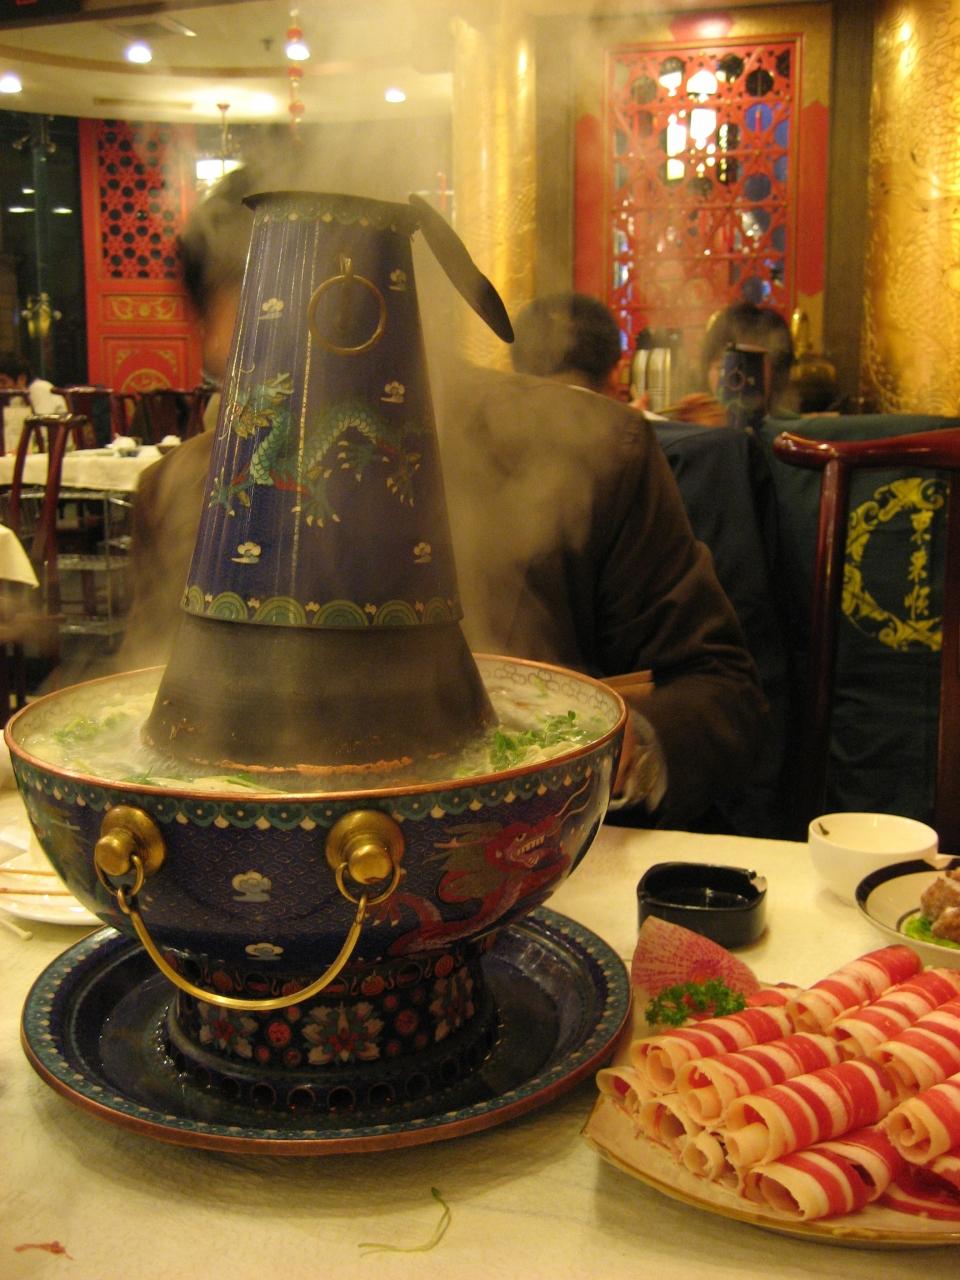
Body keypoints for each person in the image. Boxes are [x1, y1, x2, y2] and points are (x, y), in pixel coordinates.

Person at [119, 161, 766, 831]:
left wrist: (631, 747)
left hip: (511, 850)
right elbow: (143, 707)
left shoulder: (589, 452)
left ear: (390, 301)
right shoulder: (176, 494)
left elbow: (720, 689)